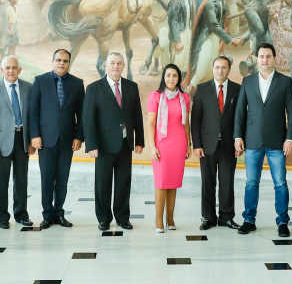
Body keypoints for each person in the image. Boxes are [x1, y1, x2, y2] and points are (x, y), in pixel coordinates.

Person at [233, 43, 292, 237]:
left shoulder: (285, 82)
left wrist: (290, 138)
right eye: (261, 56)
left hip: (277, 142)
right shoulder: (248, 81)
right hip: (252, 141)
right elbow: (240, 111)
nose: (265, 59)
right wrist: (238, 136)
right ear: (257, 58)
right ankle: (249, 220)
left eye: (268, 56)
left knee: (281, 183)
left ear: (274, 58)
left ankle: (283, 222)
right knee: (251, 183)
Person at [83, 52, 145, 231]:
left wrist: (139, 140)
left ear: (123, 66)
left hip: (125, 143)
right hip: (103, 146)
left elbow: (137, 115)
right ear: (106, 66)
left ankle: (122, 218)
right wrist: (91, 145)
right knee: (103, 183)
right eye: (112, 63)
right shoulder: (94, 88)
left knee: (123, 183)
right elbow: (88, 119)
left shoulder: (132, 87)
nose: (116, 66)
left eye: (119, 63)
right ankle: (103, 219)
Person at [28, 49, 84, 229]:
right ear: (52, 61)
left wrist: (79, 137)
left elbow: (82, 114)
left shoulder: (77, 83)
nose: (61, 63)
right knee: (46, 178)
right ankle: (47, 214)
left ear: (69, 63)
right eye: (58, 60)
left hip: (68, 140)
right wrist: (34, 135)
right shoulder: (40, 81)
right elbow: (33, 110)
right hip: (45, 139)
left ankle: (59, 213)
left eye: (65, 61)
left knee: (62, 179)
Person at [0, 56, 35, 229]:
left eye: (14, 67)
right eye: (7, 67)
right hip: (0, 143)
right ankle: (1, 217)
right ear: (2, 70)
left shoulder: (29, 88)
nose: (11, 70)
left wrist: (31, 140)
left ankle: (21, 214)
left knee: (21, 181)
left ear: (20, 70)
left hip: (22, 140)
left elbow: (33, 116)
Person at [191, 56, 241, 230]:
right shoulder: (202, 89)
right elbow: (195, 119)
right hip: (206, 145)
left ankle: (226, 217)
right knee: (208, 182)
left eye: (224, 67)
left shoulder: (237, 89)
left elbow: (240, 118)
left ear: (229, 70)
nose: (220, 71)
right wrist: (197, 144)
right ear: (212, 69)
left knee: (227, 183)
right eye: (217, 67)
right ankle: (208, 218)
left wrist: (239, 140)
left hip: (229, 145)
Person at [146, 64, 192, 232]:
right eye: (168, 75)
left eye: (174, 75)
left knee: (173, 182)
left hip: (179, 144)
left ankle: (170, 218)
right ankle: (159, 219)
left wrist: (189, 144)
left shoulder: (184, 98)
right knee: (161, 182)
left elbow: (186, 123)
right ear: (163, 77)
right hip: (161, 145)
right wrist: (152, 147)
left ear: (179, 78)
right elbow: (151, 124)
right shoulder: (155, 96)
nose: (171, 78)